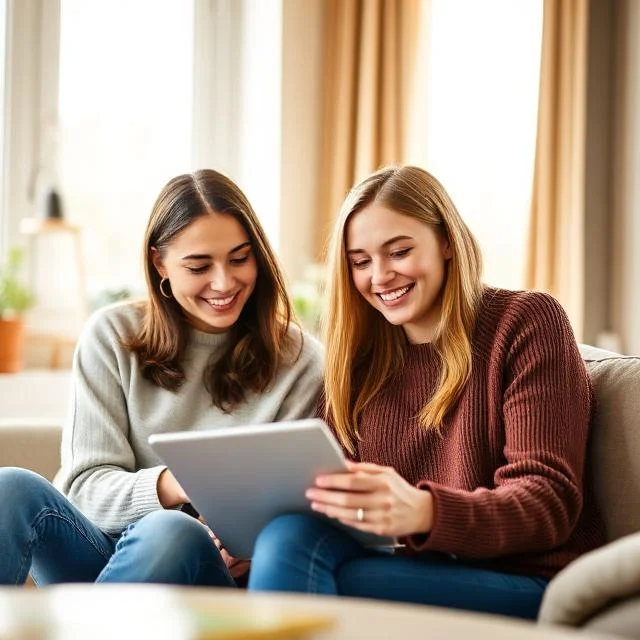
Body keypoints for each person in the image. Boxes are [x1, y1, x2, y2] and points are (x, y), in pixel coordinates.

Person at [247, 165, 605, 619]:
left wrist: (425, 512)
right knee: (284, 538)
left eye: (398, 252)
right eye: (360, 262)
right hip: (412, 568)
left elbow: (547, 500)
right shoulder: (360, 363)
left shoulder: (525, 322)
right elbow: (335, 504)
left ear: (447, 243)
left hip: (522, 577)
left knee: (317, 566)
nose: (380, 277)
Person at [0, 169, 323, 587]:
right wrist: (174, 483)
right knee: (11, 488)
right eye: (199, 265)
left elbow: (293, 505)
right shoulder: (111, 337)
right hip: (100, 552)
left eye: (240, 258)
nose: (224, 282)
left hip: (208, 570)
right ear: (160, 263)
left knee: (171, 532)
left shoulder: (299, 361)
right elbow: (83, 490)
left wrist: (251, 545)